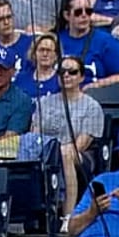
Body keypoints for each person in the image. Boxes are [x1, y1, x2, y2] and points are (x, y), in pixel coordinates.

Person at [34, 55, 105, 212]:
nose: (66, 75)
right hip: (44, 151)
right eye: (62, 71)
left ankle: (68, 215)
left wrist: (55, 151)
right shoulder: (44, 102)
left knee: (66, 153)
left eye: (72, 72)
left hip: (80, 156)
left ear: (81, 77)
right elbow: (34, 135)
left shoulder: (92, 106)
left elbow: (80, 145)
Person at [56, 0, 119, 86]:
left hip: (95, 95)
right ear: (66, 15)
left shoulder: (107, 41)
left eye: (88, 11)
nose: (84, 15)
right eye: (78, 12)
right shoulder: (56, 40)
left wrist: (97, 85)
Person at [15, 32, 61, 98]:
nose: (45, 54)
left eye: (49, 50)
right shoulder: (21, 79)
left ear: (56, 55)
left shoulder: (60, 80)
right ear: (34, 54)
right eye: (41, 50)